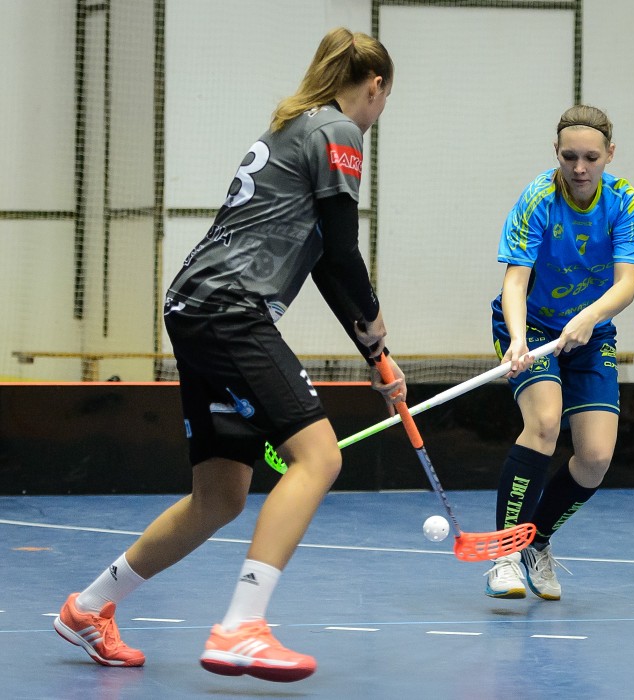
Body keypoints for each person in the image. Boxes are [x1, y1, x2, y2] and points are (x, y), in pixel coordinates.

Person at [53, 28, 405, 682]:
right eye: (383, 101)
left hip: (193, 304)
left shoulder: (292, 127)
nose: (378, 115)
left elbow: (325, 264)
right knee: (319, 456)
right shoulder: (338, 131)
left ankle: (89, 607)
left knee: (219, 493)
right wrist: (379, 335)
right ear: (375, 86)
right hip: (231, 307)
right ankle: (243, 626)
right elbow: (343, 252)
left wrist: (373, 355)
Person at [484, 105, 634, 601]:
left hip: (590, 333)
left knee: (595, 458)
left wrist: (590, 317)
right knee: (545, 423)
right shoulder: (537, 199)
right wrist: (516, 339)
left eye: (591, 157)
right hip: (531, 327)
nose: (579, 168)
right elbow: (515, 279)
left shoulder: (622, 200)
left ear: (609, 155)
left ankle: (538, 540)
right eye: (569, 156)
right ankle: (505, 553)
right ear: (556, 152)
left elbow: (627, 284)